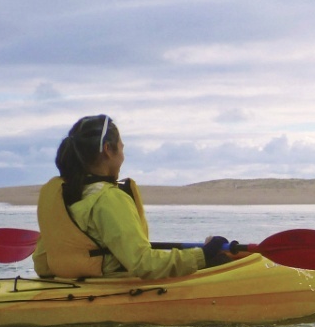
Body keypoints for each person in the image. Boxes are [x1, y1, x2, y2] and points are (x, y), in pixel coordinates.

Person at [32, 114, 232, 279]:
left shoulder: (57, 195)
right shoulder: (108, 199)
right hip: (112, 290)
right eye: (122, 147)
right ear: (108, 150)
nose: (123, 155)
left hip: (67, 286)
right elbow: (144, 264)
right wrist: (203, 255)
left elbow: (42, 265)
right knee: (223, 264)